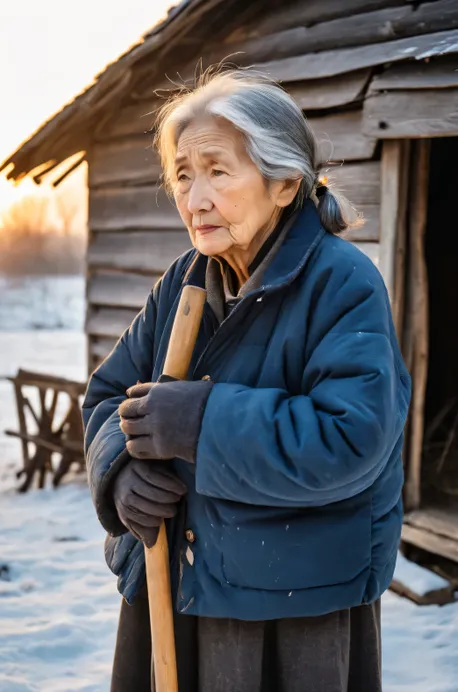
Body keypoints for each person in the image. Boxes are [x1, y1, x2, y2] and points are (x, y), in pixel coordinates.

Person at [82, 69, 411, 692]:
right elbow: (106, 396)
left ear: (284, 184)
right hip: (170, 583)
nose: (194, 197)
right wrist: (119, 472)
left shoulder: (342, 283)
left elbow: (352, 440)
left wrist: (204, 422)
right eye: (183, 174)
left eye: (218, 170)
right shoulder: (184, 279)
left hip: (288, 607)